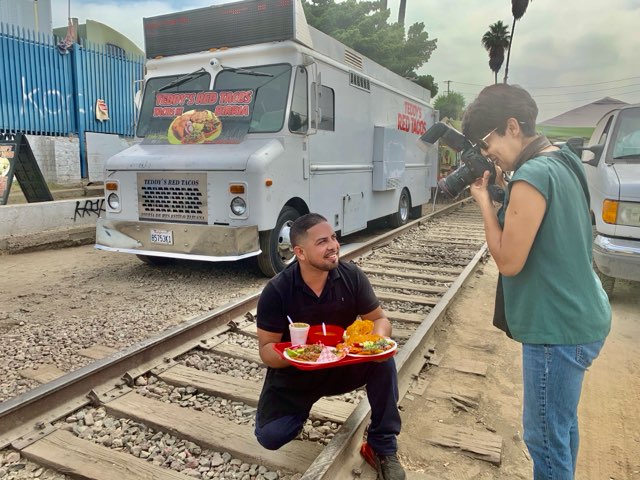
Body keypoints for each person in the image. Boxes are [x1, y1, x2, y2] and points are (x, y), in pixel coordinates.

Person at [462, 84, 611, 480]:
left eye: (486, 140)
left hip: (556, 328)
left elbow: (509, 261)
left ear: (512, 126)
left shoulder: (531, 175)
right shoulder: (562, 160)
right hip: (582, 315)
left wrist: (484, 205)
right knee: (561, 428)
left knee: (544, 439)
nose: (485, 152)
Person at [254, 213, 406, 480]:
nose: (334, 245)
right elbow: (267, 350)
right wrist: (297, 356)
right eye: (322, 241)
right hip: (297, 375)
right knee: (271, 437)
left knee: (384, 359)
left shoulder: (351, 276)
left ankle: (381, 445)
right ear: (299, 252)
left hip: (342, 366)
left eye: (333, 237)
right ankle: (298, 410)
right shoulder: (277, 291)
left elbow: (380, 320)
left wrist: (376, 343)